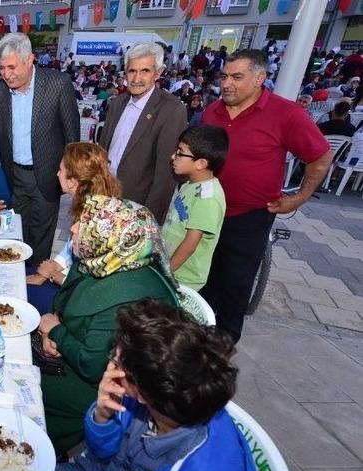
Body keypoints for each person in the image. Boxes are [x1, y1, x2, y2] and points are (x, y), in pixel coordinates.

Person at [201, 49, 332, 343]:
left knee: (236, 284)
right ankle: (197, 339)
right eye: (224, 76)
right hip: (207, 211)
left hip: (250, 216)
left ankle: (222, 348)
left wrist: (301, 196)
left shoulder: (286, 114)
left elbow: (321, 157)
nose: (227, 84)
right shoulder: (212, 112)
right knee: (203, 279)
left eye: (237, 77)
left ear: (260, 78)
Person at [37, 194, 180, 455]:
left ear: (112, 236)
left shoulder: (125, 299)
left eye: (83, 224)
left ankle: (42, 451)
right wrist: (52, 330)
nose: (73, 229)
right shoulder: (106, 259)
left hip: (107, 389)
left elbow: (92, 365)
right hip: (77, 357)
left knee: (22, 383)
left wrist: (56, 331)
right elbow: (64, 299)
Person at [56, 299, 258, 471]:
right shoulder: (160, 397)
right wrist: (103, 416)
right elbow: (101, 454)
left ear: (142, 394)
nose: (110, 369)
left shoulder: (201, 470)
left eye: (116, 364)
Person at [0, 32, 81, 265]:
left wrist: (72, 175)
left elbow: (73, 137)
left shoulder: (57, 84)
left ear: (30, 59)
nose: (6, 74)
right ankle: (16, 279)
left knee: (40, 240)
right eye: (1, 68)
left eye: (12, 67)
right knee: (14, 235)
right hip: (14, 176)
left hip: (47, 176)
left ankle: (35, 285)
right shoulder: (1, 90)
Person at [25, 143, 122, 315]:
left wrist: (53, 276)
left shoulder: (99, 219)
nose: (57, 173)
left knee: (18, 294)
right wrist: (50, 269)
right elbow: (70, 250)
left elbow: (92, 287)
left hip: (80, 302)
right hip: (68, 281)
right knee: (19, 275)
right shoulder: (91, 202)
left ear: (72, 181)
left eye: (60, 169)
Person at [98, 42, 188, 223]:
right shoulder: (117, 103)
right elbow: (103, 150)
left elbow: (165, 174)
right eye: (132, 71)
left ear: (158, 73)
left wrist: (148, 218)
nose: (136, 78)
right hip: (104, 196)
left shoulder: (171, 110)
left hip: (137, 206)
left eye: (145, 71)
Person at [162, 125, 228, 291]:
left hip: (182, 278)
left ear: (201, 163)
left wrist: (165, 274)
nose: (173, 156)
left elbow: (190, 244)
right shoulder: (190, 184)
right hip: (170, 266)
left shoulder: (208, 198)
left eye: (180, 152)